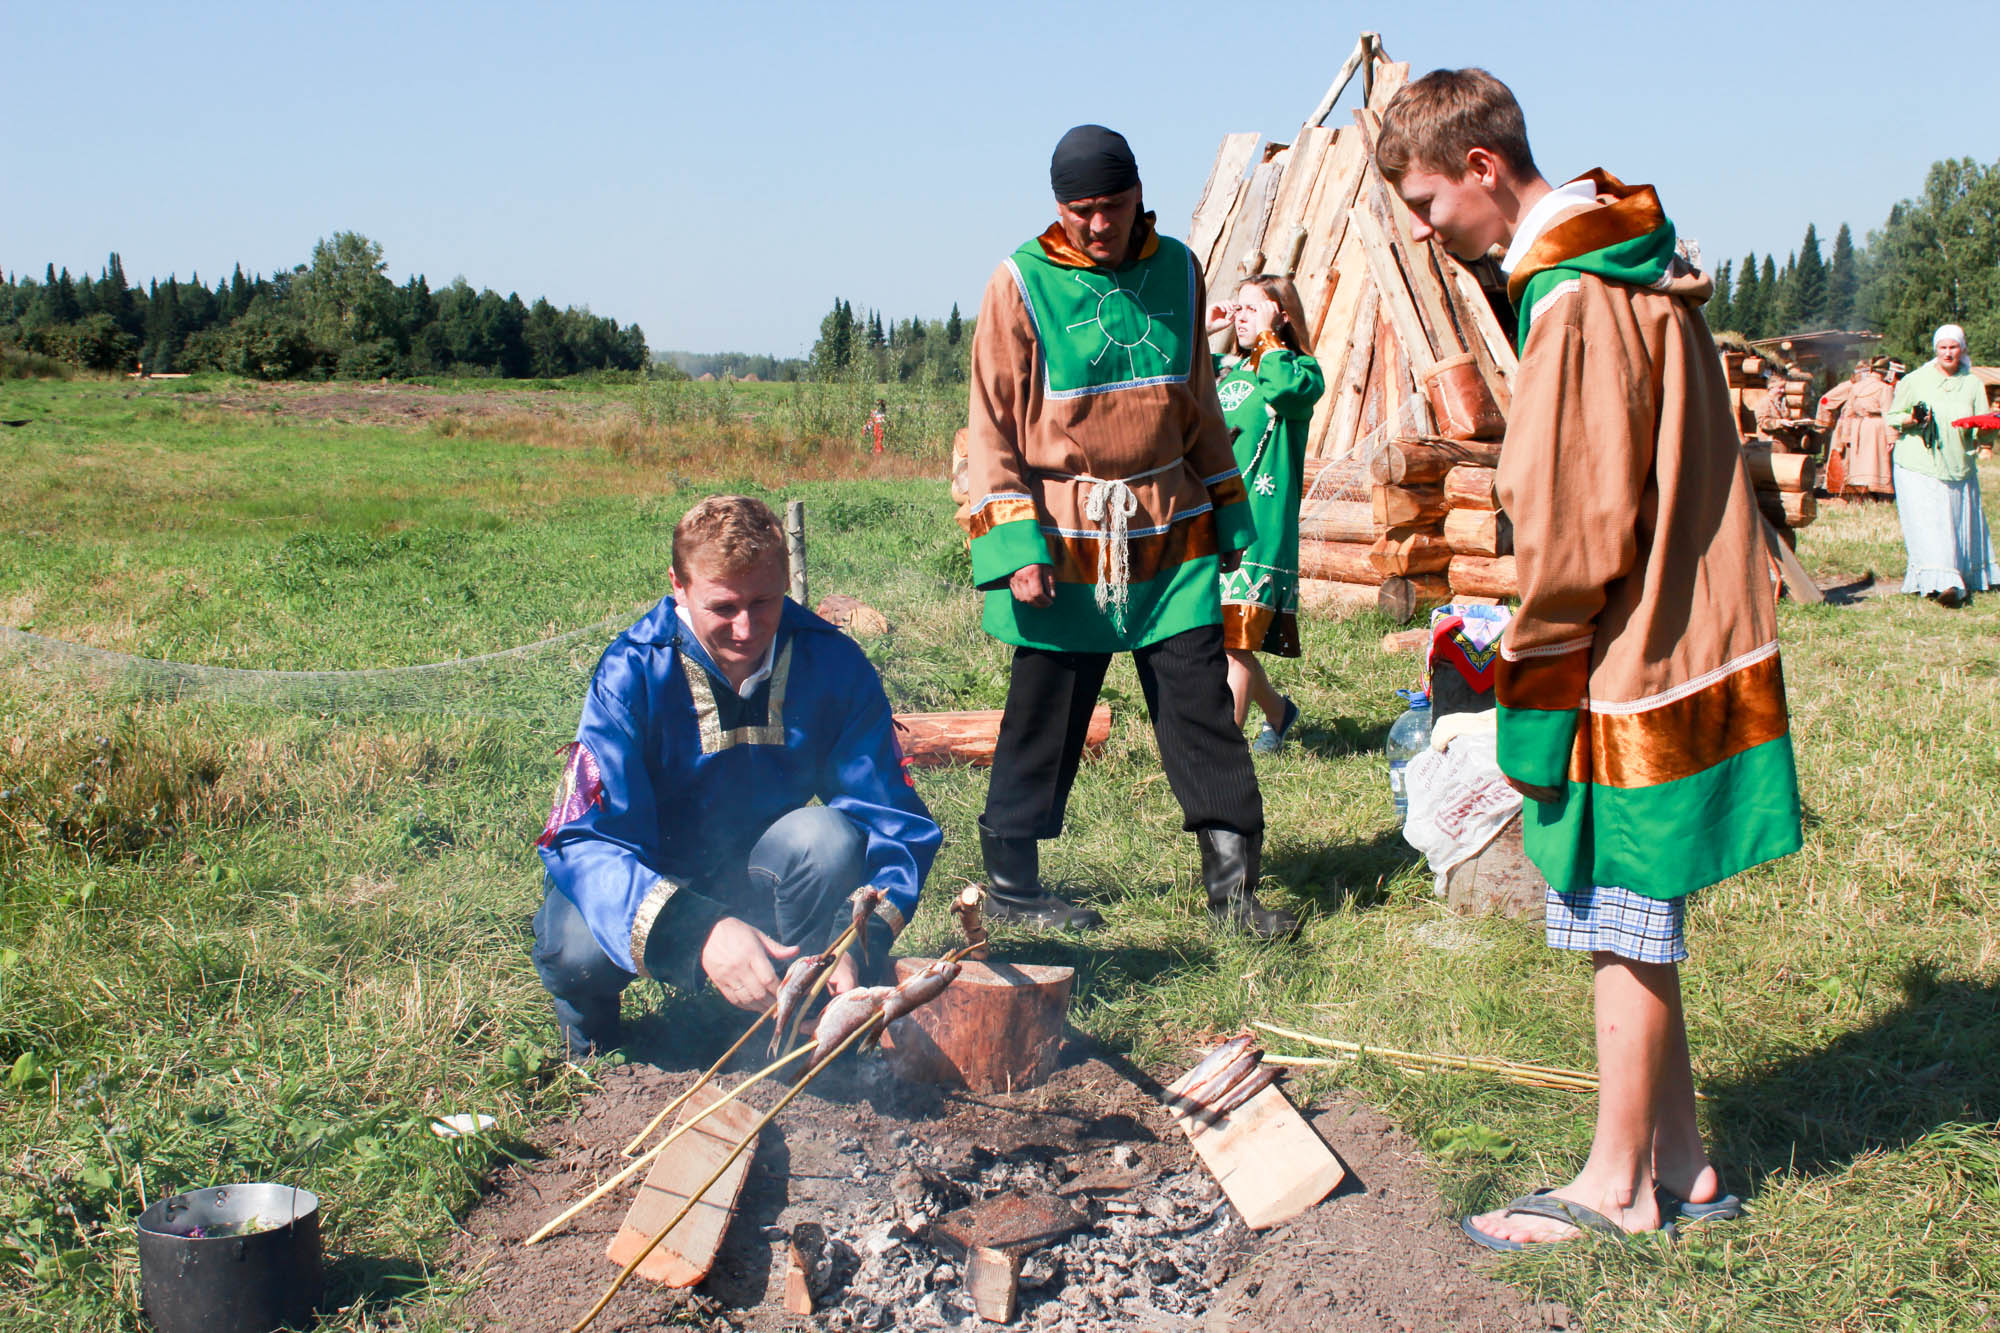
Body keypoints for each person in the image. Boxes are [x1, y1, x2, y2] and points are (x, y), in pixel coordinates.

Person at [1380, 67, 1803, 1249]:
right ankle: (1685, 1165)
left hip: (1625, 642)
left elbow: (1572, 518)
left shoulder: (1569, 299)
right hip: (1680, 616)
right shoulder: (1625, 261)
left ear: (1480, 168)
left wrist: (1530, 668)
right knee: (1635, 904)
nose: (1423, 231)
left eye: (1424, 204)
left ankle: (1614, 1187)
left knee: (1621, 912)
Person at [963, 123, 1293, 938]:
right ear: (1058, 209)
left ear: (1140, 194)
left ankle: (1234, 892)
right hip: (1067, 532)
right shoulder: (1021, 282)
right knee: (1045, 709)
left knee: (1200, 704)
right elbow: (992, 426)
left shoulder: (1179, 269)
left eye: (1111, 207)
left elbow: (1199, 401)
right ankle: (1011, 884)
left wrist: (1227, 510)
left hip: (1168, 528)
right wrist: (1014, 549)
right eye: (1080, 212)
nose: (1098, 225)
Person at [532, 495, 941, 1056]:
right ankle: (600, 1051)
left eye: (764, 602)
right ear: (678, 585)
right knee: (576, 947)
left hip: (759, 873)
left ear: (786, 581)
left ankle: (789, 1015)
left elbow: (890, 815)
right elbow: (584, 838)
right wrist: (695, 932)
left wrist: (855, 941)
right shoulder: (632, 671)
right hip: (648, 874)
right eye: (723, 607)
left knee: (826, 838)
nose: (747, 629)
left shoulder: (831, 661)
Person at [1203, 275, 1324, 752]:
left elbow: (1282, 386)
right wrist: (1207, 331)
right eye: (1240, 307)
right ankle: (1278, 711)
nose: (1242, 316)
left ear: (1282, 315)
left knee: (1235, 639)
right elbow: (1174, 371)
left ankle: (1223, 755)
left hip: (1261, 523)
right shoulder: (1225, 370)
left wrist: (1272, 336)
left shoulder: (1298, 371)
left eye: (1255, 308)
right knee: (1221, 637)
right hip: (1216, 522)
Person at [1885, 325, 1997, 605]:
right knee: (1930, 523)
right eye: (1943, 347)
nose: (1948, 353)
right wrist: (1913, 419)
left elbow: (1981, 424)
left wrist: (1986, 428)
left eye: (1953, 347)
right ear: (1935, 350)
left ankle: (1963, 577)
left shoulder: (1971, 383)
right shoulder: (1914, 380)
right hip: (1918, 463)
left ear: (1962, 350)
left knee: (1956, 521)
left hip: (1958, 463)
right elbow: (1893, 416)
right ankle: (1943, 584)